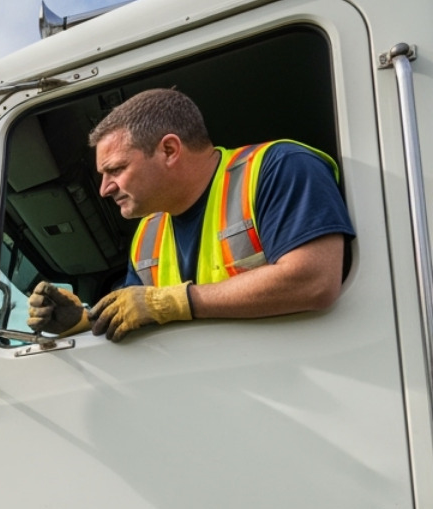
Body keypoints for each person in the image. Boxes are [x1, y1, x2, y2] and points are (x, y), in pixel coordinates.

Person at [28, 88, 354, 342]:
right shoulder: (147, 236)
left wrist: (175, 302)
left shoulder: (277, 168)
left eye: (116, 169)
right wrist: (82, 321)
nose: (104, 189)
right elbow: (132, 313)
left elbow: (314, 280)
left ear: (169, 150)